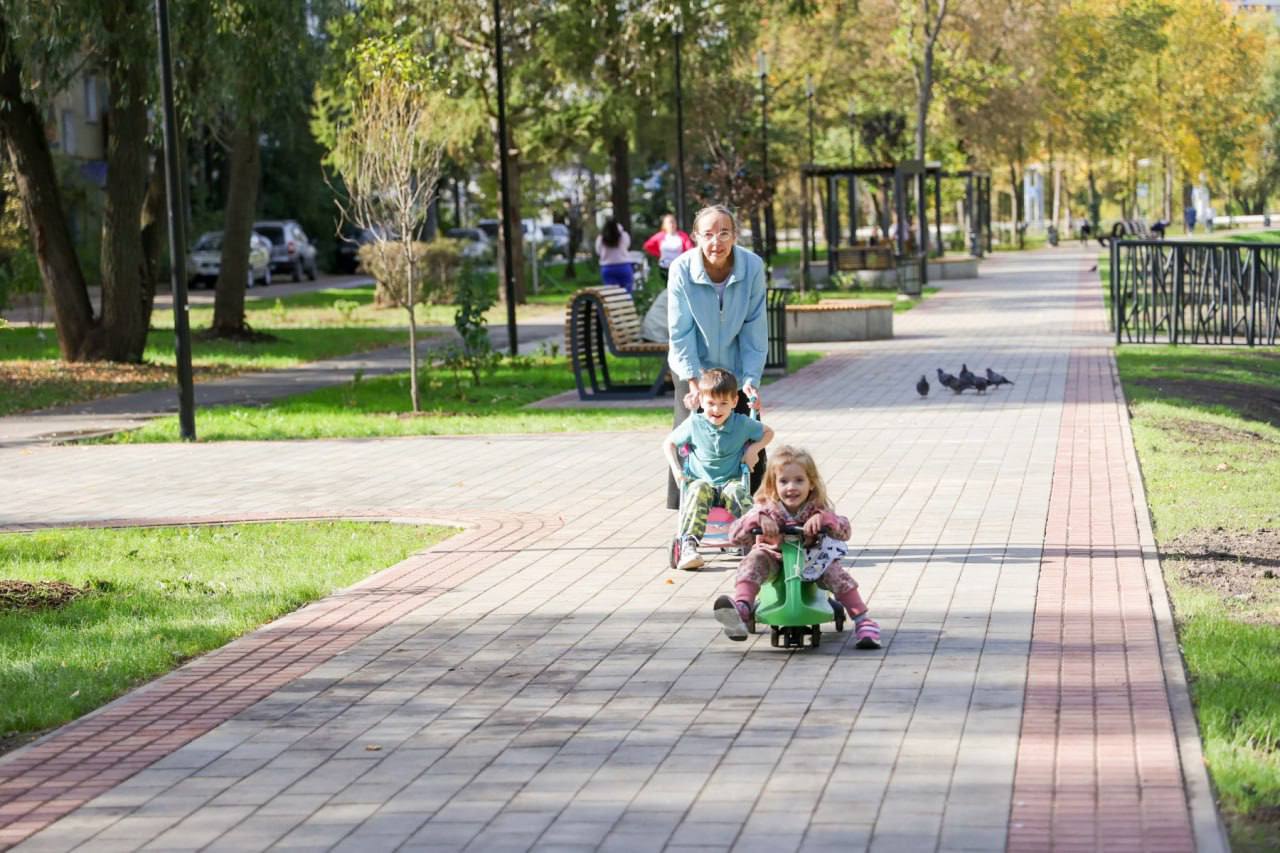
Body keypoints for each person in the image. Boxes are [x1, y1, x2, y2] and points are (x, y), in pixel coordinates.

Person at [715, 446, 881, 649]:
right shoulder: (766, 509)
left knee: (836, 573)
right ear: (773, 485)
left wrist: (825, 520)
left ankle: (863, 620)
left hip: (813, 561)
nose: (791, 487)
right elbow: (734, 535)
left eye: (799, 480)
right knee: (753, 560)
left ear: (811, 483)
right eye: (784, 481)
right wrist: (757, 520)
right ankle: (742, 607)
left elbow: (844, 531)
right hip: (774, 561)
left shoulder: (817, 508)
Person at [667, 204, 768, 502]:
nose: (716, 242)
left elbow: (755, 328)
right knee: (693, 435)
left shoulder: (752, 267)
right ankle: (690, 510)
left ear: (735, 235)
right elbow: (680, 331)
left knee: (745, 431)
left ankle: (752, 512)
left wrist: (750, 380)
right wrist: (693, 380)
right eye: (708, 234)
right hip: (693, 363)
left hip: (736, 365)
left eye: (724, 233)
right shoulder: (682, 269)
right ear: (695, 237)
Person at [663, 368, 774, 571]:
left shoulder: (741, 423)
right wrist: (677, 470)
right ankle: (688, 545)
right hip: (701, 481)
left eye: (724, 403)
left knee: (740, 492)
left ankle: (754, 539)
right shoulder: (695, 423)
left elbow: (768, 432)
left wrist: (754, 450)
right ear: (702, 401)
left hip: (729, 481)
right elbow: (669, 443)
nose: (716, 409)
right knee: (696, 490)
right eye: (711, 403)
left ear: (734, 402)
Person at [642, 213, 694, 286]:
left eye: (673, 222)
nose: (672, 224)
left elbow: (690, 249)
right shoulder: (660, 236)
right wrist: (658, 254)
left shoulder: (682, 235)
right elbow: (647, 246)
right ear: (664, 225)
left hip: (679, 268)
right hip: (664, 267)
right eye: (669, 222)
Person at [595, 218, 634, 293]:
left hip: (608, 268)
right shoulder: (623, 235)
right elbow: (627, 245)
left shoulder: (601, 238)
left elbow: (598, 251)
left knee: (612, 295)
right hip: (624, 266)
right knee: (627, 294)